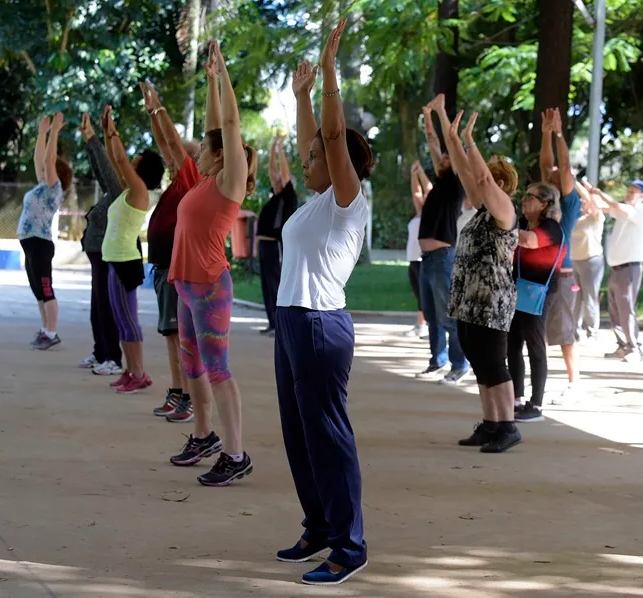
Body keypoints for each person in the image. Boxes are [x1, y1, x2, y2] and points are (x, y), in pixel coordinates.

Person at [272, 21, 372, 585]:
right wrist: (302, 97)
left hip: (318, 325)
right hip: (293, 322)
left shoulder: (346, 202)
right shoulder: (317, 202)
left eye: (314, 156)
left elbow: (331, 140)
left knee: (328, 438)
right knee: (299, 434)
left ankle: (349, 547)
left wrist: (330, 74)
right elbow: (319, 137)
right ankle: (319, 525)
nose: (306, 159)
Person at [167, 40, 256, 487]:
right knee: (193, 366)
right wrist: (210, 83)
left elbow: (229, 125)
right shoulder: (206, 179)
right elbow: (215, 124)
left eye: (204, 146)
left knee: (217, 368)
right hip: (186, 284)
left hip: (209, 286)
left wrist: (224, 74)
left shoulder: (228, 181)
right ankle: (204, 436)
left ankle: (236, 454)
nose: (197, 150)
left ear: (221, 154)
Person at [424, 102, 519, 452]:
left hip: (492, 300)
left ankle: (507, 426)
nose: (480, 181)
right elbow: (467, 173)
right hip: (470, 297)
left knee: (494, 362)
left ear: (501, 183)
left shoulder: (504, 210)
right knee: (479, 361)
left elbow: (480, 177)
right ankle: (491, 423)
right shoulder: (481, 210)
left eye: (490, 177)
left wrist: (470, 141)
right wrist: (452, 136)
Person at [139, 81, 199, 421]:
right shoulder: (177, 182)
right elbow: (165, 144)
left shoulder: (191, 181)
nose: (170, 161)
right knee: (170, 336)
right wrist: (152, 113)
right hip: (163, 269)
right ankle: (177, 392)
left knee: (179, 338)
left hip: (177, 271)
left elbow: (172, 143)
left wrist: (160, 108)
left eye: (178, 159)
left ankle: (188, 397)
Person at [100, 105, 164, 394]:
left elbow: (121, 159)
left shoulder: (139, 191)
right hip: (116, 260)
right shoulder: (129, 189)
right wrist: (107, 133)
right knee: (120, 320)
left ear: (142, 168)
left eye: (137, 159)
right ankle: (131, 370)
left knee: (129, 320)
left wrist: (113, 129)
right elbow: (116, 160)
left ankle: (139, 373)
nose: (132, 159)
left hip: (125, 262)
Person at [417, 97, 469, 385]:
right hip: (427, 259)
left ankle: (460, 365)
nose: (441, 159)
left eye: (447, 158)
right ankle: (438, 360)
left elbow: (449, 142)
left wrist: (440, 111)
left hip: (442, 256)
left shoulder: (456, 182)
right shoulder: (439, 183)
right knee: (432, 315)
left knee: (449, 315)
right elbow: (432, 141)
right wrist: (427, 115)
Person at [508, 182, 565, 423]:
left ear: (545, 204)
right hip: (518, 288)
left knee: (535, 345)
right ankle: (516, 398)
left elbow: (530, 241)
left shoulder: (551, 227)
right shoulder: (522, 223)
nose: (524, 199)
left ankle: (536, 404)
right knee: (512, 343)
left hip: (539, 292)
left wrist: (503, 226)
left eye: (530, 197)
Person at [539, 107, 583, 402]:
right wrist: (545, 133)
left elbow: (563, 166)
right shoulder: (548, 198)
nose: (552, 172)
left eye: (556, 175)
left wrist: (557, 133)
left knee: (564, 333)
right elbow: (547, 165)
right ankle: (538, 382)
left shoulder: (569, 202)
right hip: (540, 275)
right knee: (537, 332)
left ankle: (574, 383)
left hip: (562, 277)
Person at [18, 112, 70, 351]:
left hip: (40, 244)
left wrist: (55, 132)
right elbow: (39, 159)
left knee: (46, 289)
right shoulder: (42, 186)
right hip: (31, 244)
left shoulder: (53, 188)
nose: (44, 168)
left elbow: (48, 161)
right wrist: (42, 133)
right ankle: (45, 329)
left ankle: (52, 331)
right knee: (38, 291)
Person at [78, 113, 123, 376]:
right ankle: (100, 352)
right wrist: (89, 140)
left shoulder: (123, 193)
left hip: (108, 257)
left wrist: (96, 139)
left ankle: (113, 357)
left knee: (106, 308)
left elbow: (107, 169)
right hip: (98, 256)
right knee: (97, 309)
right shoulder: (112, 193)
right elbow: (100, 172)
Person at [592, 179, 643, 363]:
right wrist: (587, 191)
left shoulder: (640, 212)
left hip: (629, 268)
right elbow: (602, 207)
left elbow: (614, 205)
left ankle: (634, 348)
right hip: (616, 268)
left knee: (626, 309)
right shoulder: (625, 213)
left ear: (642, 197)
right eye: (628, 191)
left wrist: (599, 193)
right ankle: (622, 346)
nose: (628, 194)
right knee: (615, 310)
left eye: (632, 192)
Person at [258, 133, 298, 337]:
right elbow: (272, 171)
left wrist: (281, 149)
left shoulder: (288, 196)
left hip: (275, 246)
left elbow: (283, 172)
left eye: (280, 180)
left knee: (276, 284)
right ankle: (272, 323)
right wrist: (272, 146)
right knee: (266, 285)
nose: (276, 179)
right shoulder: (276, 196)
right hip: (263, 246)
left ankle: (280, 325)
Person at [571, 182, 605, 342]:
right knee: (575, 299)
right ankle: (574, 332)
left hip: (591, 262)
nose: (583, 203)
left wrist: (573, 181)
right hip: (574, 262)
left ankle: (592, 332)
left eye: (585, 201)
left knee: (590, 298)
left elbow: (590, 200)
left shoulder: (596, 218)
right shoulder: (576, 219)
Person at [406, 161, 429, 338]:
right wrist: (414, 175)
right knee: (418, 294)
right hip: (413, 260)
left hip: (423, 259)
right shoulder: (420, 213)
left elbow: (427, 190)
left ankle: (424, 325)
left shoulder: (431, 214)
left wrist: (420, 173)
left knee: (423, 294)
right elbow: (416, 193)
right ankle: (422, 324)